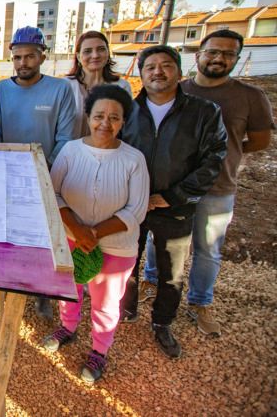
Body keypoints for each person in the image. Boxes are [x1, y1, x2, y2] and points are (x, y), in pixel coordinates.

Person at [139, 30, 274, 336]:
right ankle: (152, 283)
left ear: (237, 59)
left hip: (217, 189)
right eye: (213, 52)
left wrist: (221, 156)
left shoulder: (250, 96)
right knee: (160, 242)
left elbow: (260, 141)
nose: (218, 58)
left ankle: (200, 301)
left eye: (228, 54)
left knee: (207, 249)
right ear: (198, 55)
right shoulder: (174, 89)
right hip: (169, 191)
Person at [120, 45, 227, 359]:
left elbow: (212, 161)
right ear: (141, 74)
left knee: (171, 273)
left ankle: (162, 322)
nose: (157, 71)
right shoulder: (128, 109)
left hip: (176, 206)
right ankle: (126, 309)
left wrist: (171, 196)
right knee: (127, 262)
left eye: (166, 65)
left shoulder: (203, 112)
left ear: (180, 72)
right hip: (132, 204)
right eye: (150, 66)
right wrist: (131, 195)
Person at [43, 85, 149, 384]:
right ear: (88, 117)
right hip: (71, 238)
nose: (106, 123)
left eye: (114, 117)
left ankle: (99, 351)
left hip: (116, 246)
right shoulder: (70, 150)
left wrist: (95, 233)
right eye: (99, 115)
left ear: (124, 121)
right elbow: (54, 194)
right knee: (69, 290)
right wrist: (77, 231)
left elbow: (136, 209)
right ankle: (67, 327)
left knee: (107, 301)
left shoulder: (134, 159)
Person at [0, 26, 77, 319]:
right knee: (8, 233)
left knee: (44, 237)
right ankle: (4, 287)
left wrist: (45, 172)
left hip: (46, 176)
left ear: (42, 56)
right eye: (17, 57)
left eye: (29, 56)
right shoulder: (1, 90)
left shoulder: (60, 89)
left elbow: (65, 138)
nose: (23, 63)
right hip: (8, 177)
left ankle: (43, 293)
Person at [65, 31, 132, 136]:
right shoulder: (65, 86)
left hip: (107, 150)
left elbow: (126, 126)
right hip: (69, 151)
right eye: (87, 51)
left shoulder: (122, 87)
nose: (95, 55)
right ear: (78, 57)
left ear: (108, 53)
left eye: (101, 49)